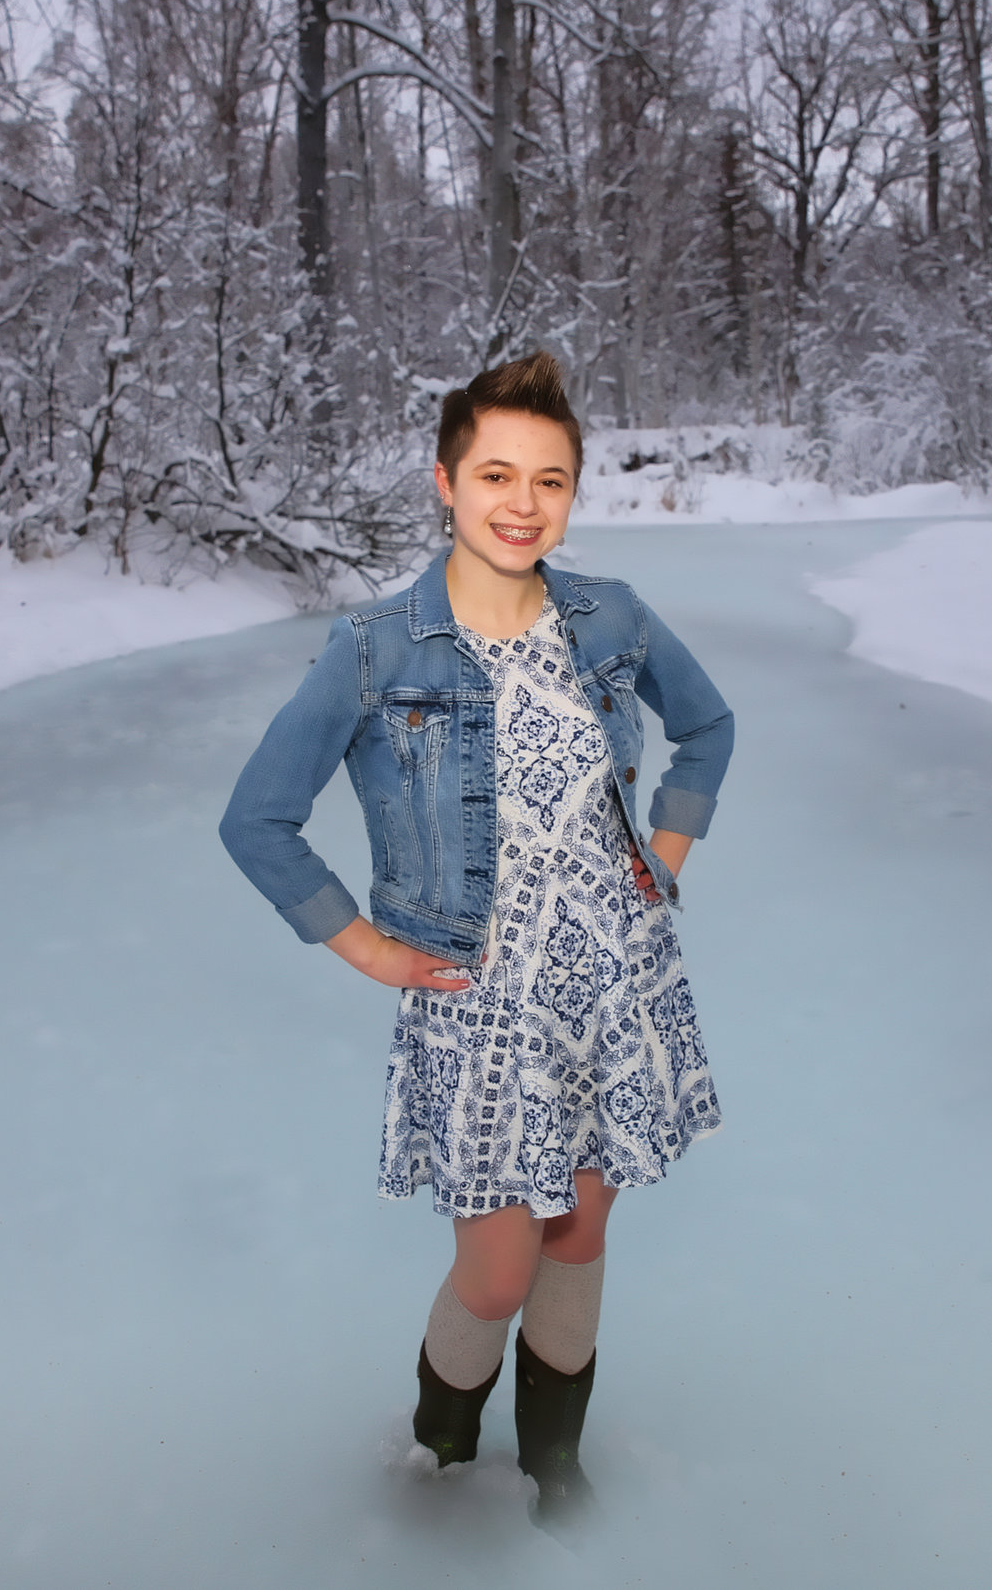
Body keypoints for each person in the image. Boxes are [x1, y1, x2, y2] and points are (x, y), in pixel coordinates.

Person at [218, 352, 734, 1524]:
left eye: (549, 479)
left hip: (610, 975)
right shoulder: (375, 647)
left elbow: (705, 727)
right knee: (499, 1266)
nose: (522, 501)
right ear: (444, 482)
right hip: (478, 993)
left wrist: (664, 858)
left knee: (580, 1228)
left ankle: (557, 1469)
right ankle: (439, 1455)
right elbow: (256, 819)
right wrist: (365, 945)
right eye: (495, 473)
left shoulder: (609, 614)